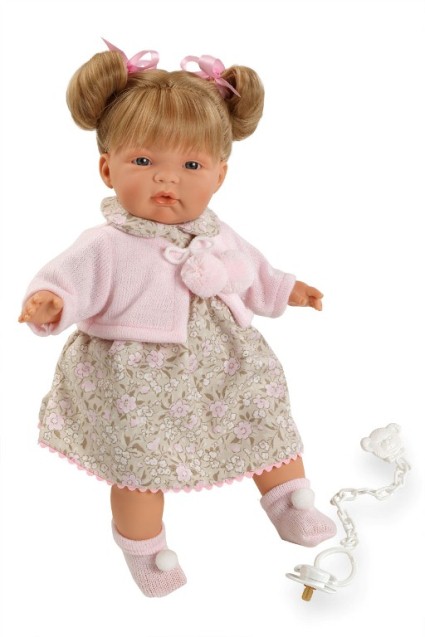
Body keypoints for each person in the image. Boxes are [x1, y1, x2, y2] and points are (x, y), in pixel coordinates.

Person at [19, 41, 336, 597]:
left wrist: (288, 290)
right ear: (107, 167)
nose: (168, 181)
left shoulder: (216, 232)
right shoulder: (105, 244)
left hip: (225, 362)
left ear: (219, 175)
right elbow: (66, 278)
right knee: (139, 465)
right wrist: (51, 301)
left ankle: (291, 501)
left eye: (191, 166)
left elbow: (253, 272)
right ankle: (146, 550)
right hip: (135, 379)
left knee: (263, 417)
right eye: (144, 162)